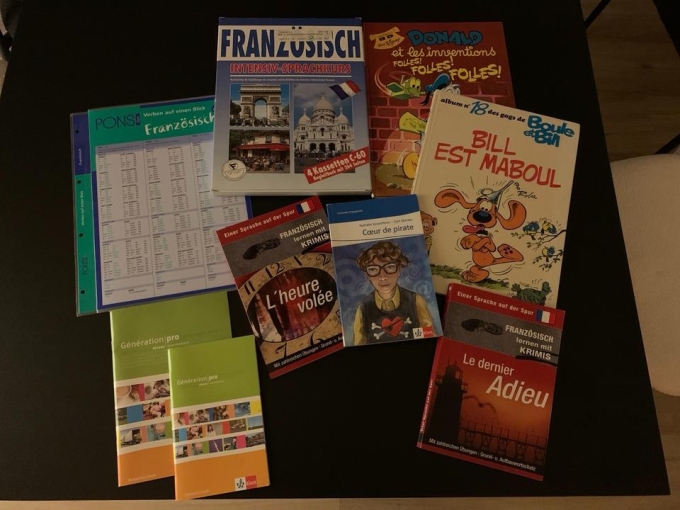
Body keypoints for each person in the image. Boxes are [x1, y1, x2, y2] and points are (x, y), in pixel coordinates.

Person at [353, 241, 434, 345]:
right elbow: (358, 344)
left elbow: (429, 334)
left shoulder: (415, 301)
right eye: (373, 269)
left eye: (390, 267)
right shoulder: (363, 308)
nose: (383, 277)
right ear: (367, 275)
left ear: (399, 270)